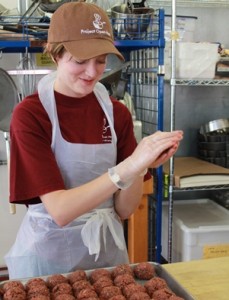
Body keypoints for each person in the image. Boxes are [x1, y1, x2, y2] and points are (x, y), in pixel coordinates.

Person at [5, 2, 183, 279]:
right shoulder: (31, 115)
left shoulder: (117, 113)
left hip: (107, 259)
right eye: (79, 61)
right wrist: (129, 166)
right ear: (55, 55)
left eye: (101, 60)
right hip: (47, 263)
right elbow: (61, 211)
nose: (92, 72)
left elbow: (123, 209)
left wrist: (140, 168)